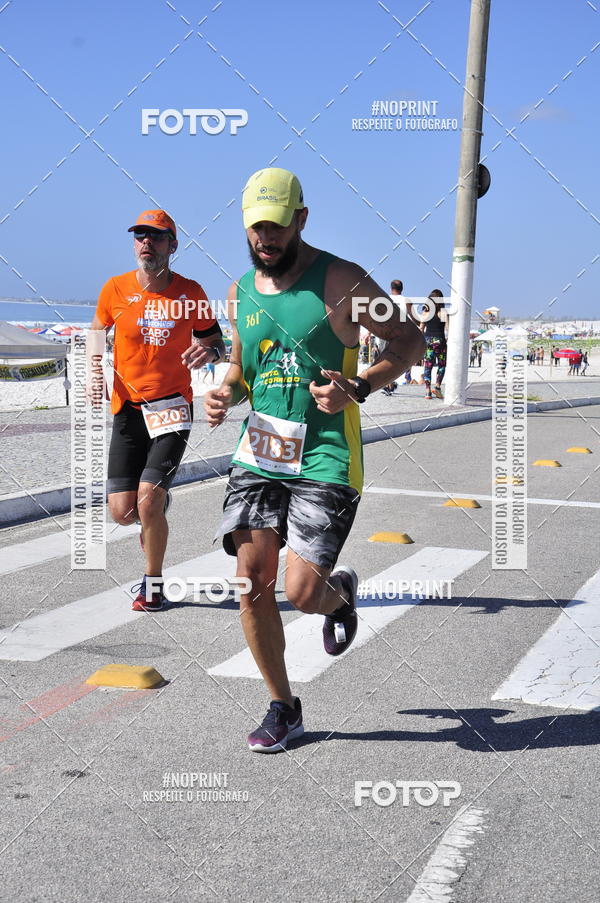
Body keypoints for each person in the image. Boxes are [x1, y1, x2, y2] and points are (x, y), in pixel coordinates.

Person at [204, 167, 424, 752]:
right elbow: (243, 368)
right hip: (260, 450)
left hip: (326, 454)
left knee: (302, 592)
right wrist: (228, 390)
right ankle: (283, 706)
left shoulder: (343, 283)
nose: (265, 239)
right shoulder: (240, 292)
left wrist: (359, 385)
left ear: (301, 219)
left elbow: (409, 342)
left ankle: (338, 594)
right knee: (251, 582)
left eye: (277, 226)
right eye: (256, 228)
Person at [89, 209, 224, 611]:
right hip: (128, 408)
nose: (146, 242)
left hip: (172, 407)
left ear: (172, 245)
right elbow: (97, 333)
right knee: (124, 512)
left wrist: (211, 351)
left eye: (157, 236)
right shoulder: (115, 289)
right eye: (140, 236)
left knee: (147, 498)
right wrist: (95, 373)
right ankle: (158, 506)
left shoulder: (190, 292)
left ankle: (153, 584)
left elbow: (215, 340)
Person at [419, 289, 447, 398]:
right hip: (440, 340)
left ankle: (427, 391)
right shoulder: (443, 312)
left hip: (428, 342)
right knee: (441, 365)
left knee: (428, 366)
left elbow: (421, 329)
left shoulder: (425, 312)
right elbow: (448, 329)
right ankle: (438, 388)